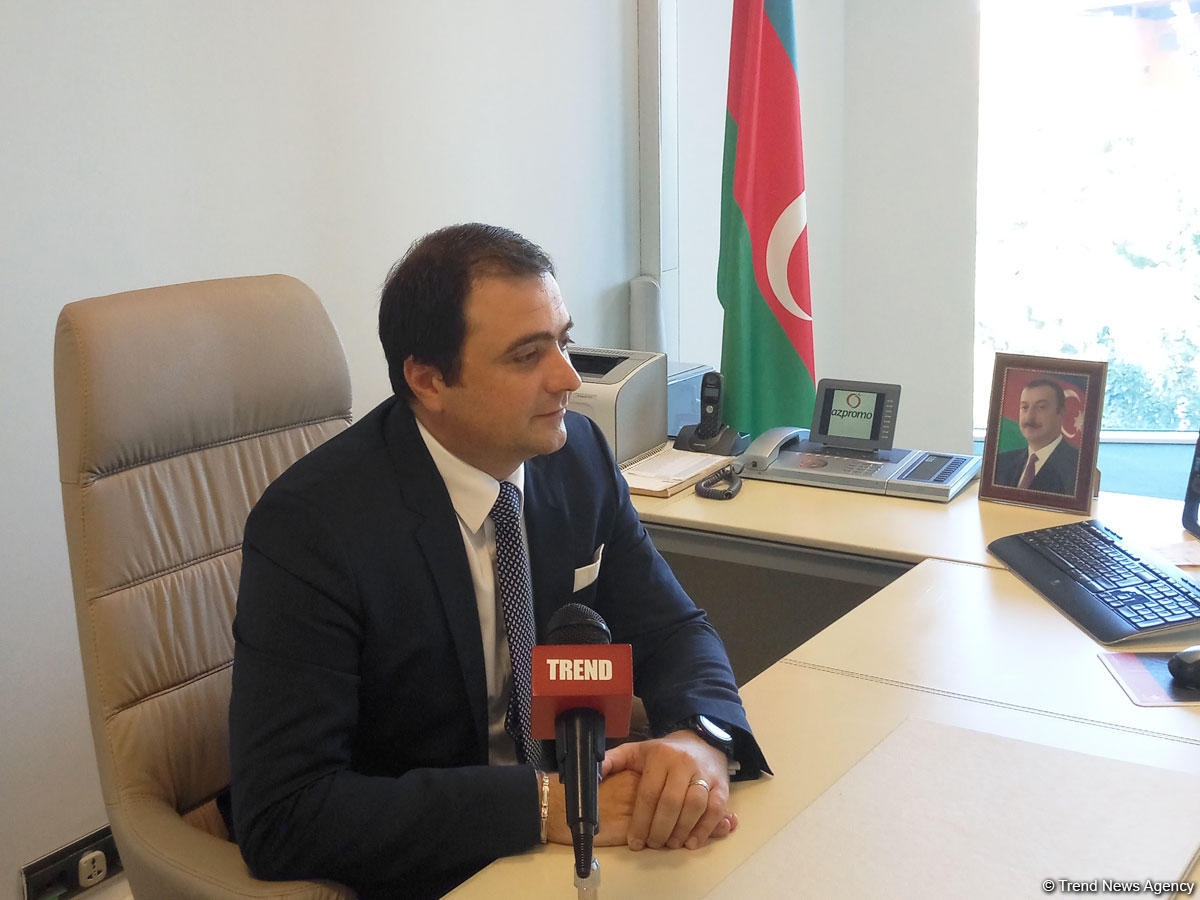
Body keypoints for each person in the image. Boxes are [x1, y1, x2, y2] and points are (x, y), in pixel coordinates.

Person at [228, 223, 769, 898]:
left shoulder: (577, 458)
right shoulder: (314, 527)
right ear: (428, 380)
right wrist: (542, 806)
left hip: (573, 844)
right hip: (434, 862)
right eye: (526, 356)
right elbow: (285, 811)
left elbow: (673, 631)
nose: (568, 378)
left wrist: (699, 740)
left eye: (564, 341)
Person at [993, 377, 1080, 495]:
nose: (1029, 417)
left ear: (1061, 413)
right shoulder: (1001, 462)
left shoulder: (1078, 467)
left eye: (1041, 407)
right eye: (1024, 407)